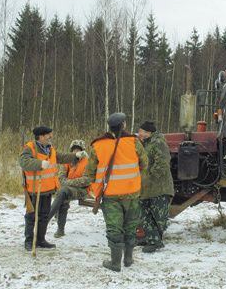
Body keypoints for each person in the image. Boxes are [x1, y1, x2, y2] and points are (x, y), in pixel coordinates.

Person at [70, 113, 148, 272]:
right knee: (131, 226)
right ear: (124, 126)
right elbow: (144, 163)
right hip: (132, 192)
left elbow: (90, 172)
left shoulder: (98, 145)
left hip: (110, 194)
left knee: (114, 228)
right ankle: (128, 258)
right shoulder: (134, 142)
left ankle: (115, 262)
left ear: (109, 127)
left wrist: (96, 190)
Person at [19, 126, 88, 251]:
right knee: (31, 216)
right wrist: (39, 164)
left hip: (47, 189)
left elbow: (61, 157)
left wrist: (76, 155)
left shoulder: (50, 149)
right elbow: (24, 163)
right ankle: (29, 241)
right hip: (34, 189)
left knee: (44, 216)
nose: (51, 136)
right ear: (41, 137)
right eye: (48, 134)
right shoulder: (29, 148)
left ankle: (41, 239)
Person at [137, 120, 174, 252]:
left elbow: (163, 162)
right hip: (148, 188)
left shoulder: (158, 142)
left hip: (159, 187)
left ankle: (155, 242)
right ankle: (151, 239)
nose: (139, 133)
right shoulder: (146, 144)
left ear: (149, 132)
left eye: (141, 131)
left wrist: (150, 177)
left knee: (158, 217)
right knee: (144, 213)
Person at [51, 139, 92, 238]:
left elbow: (87, 180)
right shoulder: (66, 162)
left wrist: (69, 183)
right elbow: (61, 179)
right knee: (63, 195)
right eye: (74, 150)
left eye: (78, 150)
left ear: (83, 151)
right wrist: (75, 182)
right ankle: (60, 230)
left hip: (83, 190)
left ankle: (46, 219)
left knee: (63, 192)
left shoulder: (88, 162)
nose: (76, 152)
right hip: (68, 190)